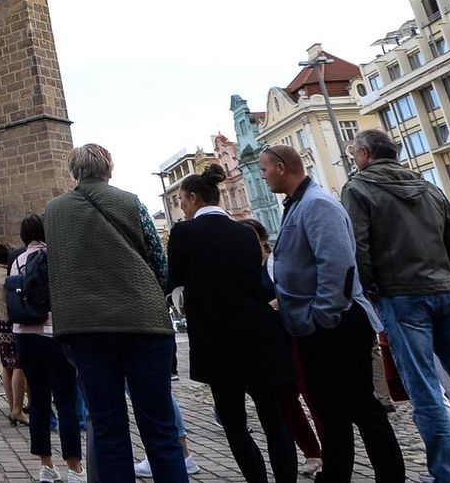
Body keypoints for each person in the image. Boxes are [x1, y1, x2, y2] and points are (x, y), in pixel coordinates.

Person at [340, 129, 450, 483]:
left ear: (364, 153)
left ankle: (447, 474)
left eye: (354, 154)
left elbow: (357, 249)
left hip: (401, 297)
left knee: (426, 395)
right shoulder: (429, 187)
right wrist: (448, 279)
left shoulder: (358, 188)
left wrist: (373, 289)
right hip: (445, 293)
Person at [259, 143, 404, 483]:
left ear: (281, 167)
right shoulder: (299, 204)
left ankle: (391, 475)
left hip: (336, 323)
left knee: (361, 407)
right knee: (330, 410)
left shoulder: (317, 204)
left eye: (265, 168)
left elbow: (337, 266)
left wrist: (321, 317)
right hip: (318, 325)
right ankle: (336, 474)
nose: (262, 175)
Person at [45, 143, 184, 483]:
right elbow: (160, 264)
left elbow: (58, 268)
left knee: (106, 427)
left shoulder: (54, 212)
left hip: (85, 329)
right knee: (160, 426)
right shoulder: (131, 202)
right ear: (109, 169)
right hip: (144, 324)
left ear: (74, 172)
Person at [167, 164, 297, 483]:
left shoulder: (184, 233)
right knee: (274, 420)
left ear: (194, 198)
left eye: (182, 201)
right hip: (260, 332)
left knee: (234, 422)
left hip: (219, 339)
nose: (181, 208)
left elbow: (174, 279)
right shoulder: (244, 232)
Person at [242, 217, 324, 478]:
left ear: (263, 239)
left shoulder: (278, 262)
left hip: (296, 334)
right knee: (286, 400)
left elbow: (299, 288)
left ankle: (331, 451)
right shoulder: (247, 269)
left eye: (250, 239)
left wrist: (280, 302)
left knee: (310, 393)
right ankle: (311, 451)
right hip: (270, 342)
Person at [10, 213, 84, 483]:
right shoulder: (56, 256)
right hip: (53, 334)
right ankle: (74, 468)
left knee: (38, 401)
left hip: (24, 337)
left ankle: (45, 466)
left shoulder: (16, 260)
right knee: (65, 401)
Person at [0, 242, 25, 424]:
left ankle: (12, 406)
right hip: (12, 322)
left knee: (7, 366)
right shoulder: (8, 273)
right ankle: (20, 406)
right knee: (21, 364)